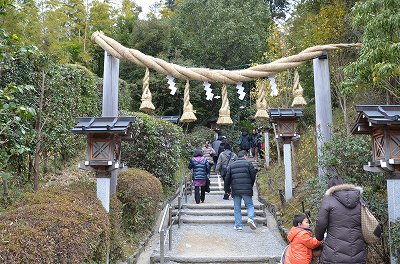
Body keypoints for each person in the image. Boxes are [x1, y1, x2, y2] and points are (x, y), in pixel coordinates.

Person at [314, 178, 368, 264]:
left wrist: (319, 237)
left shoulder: (328, 200)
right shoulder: (360, 200)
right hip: (358, 250)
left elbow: (320, 223)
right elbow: (367, 220)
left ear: (330, 188)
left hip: (334, 252)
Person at [224, 150, 257, 231]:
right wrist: (250, 185)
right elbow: (253, 175)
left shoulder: (232, 165)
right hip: (246, 189)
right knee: (249, 205)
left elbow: (227, 179)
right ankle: (250, 219)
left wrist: (227, 190)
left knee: (237, 208)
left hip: (235, 190)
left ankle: (238, 226)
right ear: (245, 156)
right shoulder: (248, 164)